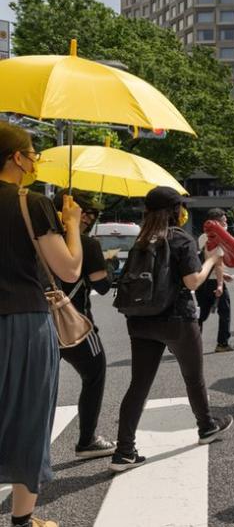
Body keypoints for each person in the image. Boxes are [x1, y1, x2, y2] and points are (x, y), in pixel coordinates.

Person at [111, 186, 233, 472]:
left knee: (138, 385)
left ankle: (124, 451)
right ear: (176, 210)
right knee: (193, 377)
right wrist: (212, 260)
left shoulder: (141, 240)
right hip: (176, 319)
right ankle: (206, 427)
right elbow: (192, 281)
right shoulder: (180, 238)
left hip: (140, 320)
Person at [0, 122, 83, 527]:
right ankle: (22, 520)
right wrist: (71, 223)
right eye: (32, 153)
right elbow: (68, 269)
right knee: (29, 418)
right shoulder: (30, 203)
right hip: (24, 323)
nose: (35, 160)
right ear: (16, 158)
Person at [53, 191, 116, 460]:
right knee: (94, 374)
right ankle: (87, 439)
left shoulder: (40, 240)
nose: (90, 219)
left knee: (36, 386)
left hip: (35, 322)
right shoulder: (87, 246)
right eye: (88, 213)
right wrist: (109, 264)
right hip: (73, 325)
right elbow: (102, 286)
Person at [196, 208, 234, 353]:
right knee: (225, 312)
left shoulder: (202, 237)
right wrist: (220, 283)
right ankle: (222, 343)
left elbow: (206, 261)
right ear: (216, 222)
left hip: (202, 279)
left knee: (202, 313)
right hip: (214, 281)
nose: (227, 224)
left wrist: (223, 275)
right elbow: (217, 263)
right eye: (224, 221)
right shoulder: (217, 238)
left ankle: (190, 342)